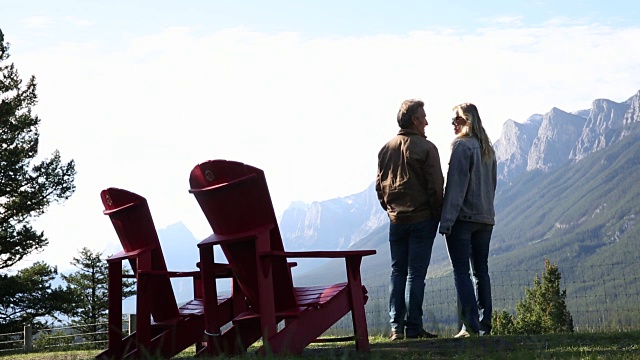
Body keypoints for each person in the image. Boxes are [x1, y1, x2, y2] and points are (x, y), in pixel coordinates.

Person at [376, 99, 444, 341]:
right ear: (414, 120)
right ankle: (413, 327)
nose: (427, 121)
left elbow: (379, 187)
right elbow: (436, 186)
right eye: (423, 116)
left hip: (397, 221)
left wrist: (391, 209)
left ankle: (397, 328)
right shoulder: (426, 149)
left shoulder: (385, 149)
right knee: (416, 274)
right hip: (422, 218)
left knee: (397, 272)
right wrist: (436, 214)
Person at [438, 102, 497, 338]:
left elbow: (455, 187)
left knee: (461, 271)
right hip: (485, 218)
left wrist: (446, 221)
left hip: (463, 218)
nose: (453, 124)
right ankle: (485, 323)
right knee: (481, 271)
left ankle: (469, 326)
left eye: (457, 119)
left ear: (468, 121)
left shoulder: (461, 147)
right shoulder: (487, 149)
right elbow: (492, 186)